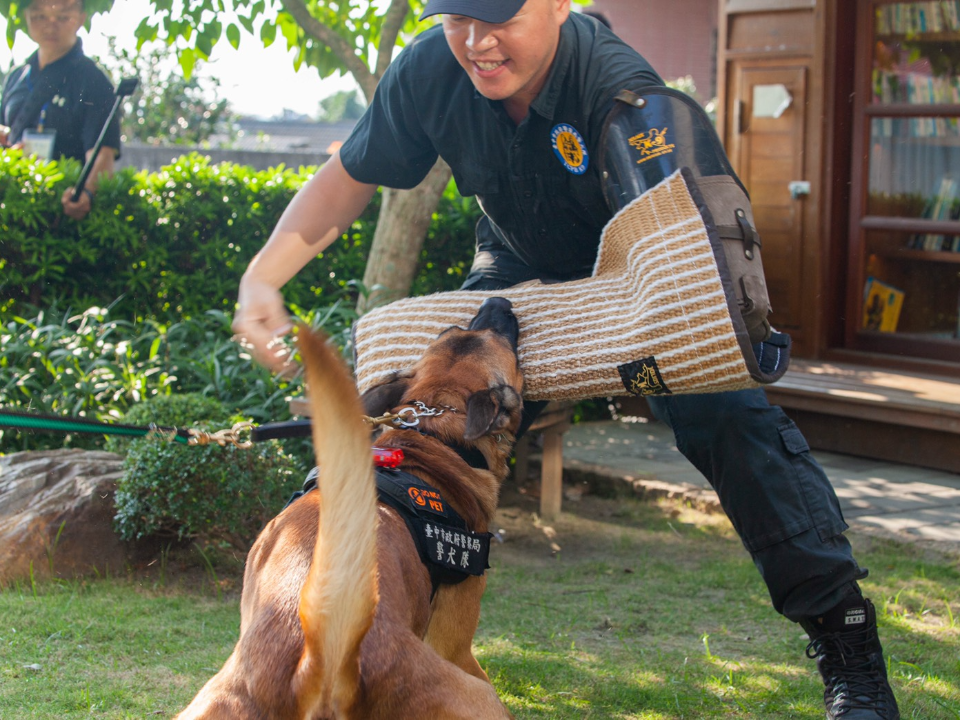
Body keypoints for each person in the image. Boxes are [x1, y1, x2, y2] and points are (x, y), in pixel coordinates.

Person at [231, 1, 900, 717]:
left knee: (731, 421)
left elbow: (698, 245)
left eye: (499, 17)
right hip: (516, 276)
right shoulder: (431, 65)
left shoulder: (620, 93)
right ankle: (367, 648)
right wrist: (262, 276)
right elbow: (350, 172)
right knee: (420, 422)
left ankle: (849, 650)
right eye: (458, 16)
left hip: (636, 277)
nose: (477, 42)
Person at [0, 0, 121, 221]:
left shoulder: (93, 81)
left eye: (63, 17)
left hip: (60, 216)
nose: (50, 25)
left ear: (81, 18)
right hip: (11, 211)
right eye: (40, 16)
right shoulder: (16, 77)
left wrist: (85, 194)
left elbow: (102, 154)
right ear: (26, 17)